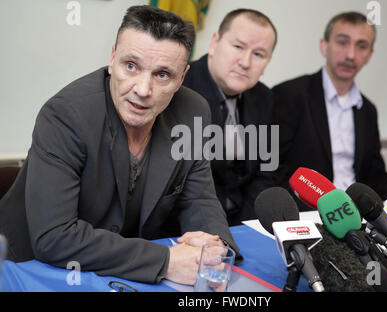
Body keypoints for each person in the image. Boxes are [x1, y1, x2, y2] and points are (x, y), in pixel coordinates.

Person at [0, 5, 241, 286]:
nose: (142, 89)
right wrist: (166, 261)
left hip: (119, 266)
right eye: (131, 66)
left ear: (182, 78)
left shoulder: (193, 112)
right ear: (113, 58)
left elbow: (198, 199)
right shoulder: (65, 115)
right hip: (29, 267)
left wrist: (215, 247)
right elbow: (55, 237)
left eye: (162, 74)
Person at [273, 11, 387, 211]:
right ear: (324, 46)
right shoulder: (288, 95)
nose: (350, 55)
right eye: (342, 42)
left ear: (369, 55)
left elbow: (376, 173)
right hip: (309, 212)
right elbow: (272, 170)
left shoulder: (367, 110)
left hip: (357, 214)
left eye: (361, 46)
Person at [183, 9, 277, 225]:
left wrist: (248, 229)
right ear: (214, 43)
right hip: (188, 226)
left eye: (258, 54)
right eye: (238, 47)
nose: (245, 62)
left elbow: (265, 174)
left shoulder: (264, 97)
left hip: (243, 222)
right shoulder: (180, 87)